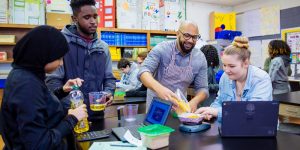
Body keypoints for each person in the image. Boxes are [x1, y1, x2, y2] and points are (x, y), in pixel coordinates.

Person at [0, 26, 88, 149]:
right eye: (58, 58)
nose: (61, 63)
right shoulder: (26, 85)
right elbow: (39, 144)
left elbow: (39, 104)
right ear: (43, 55)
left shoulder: (25, 74)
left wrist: (62, 91)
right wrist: (72, 119)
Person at [46, 0, 116, 121]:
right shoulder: (61, 43)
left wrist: (109, 92)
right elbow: (53, 82)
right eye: (87, 17)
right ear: (74, 19)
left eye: (95, 16)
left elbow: (109, 78)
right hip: (67, 116)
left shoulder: (103, 47)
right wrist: (75, 108)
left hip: (96, 114)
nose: (93, 21)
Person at [195, 36, 273, 121]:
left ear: (246, 63)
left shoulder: (261, 79)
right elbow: (219, 102)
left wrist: (217, 112)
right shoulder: (225, 77)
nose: (226, 70)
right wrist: (209, 112)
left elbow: (253, 112)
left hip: (257, 129)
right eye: (224, 65)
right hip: (232, 127)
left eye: (232, 66)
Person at [138, 20, 209, 112]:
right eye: (187, 35)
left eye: (195, 37)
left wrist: (195, 101)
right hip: (156, 106)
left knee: (177, 126)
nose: (191, 40)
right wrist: (160, 89)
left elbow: (203, 88)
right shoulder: (162, 49)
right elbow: (143, 72)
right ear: (177, 34)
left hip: (180, 108)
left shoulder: (200, 58)